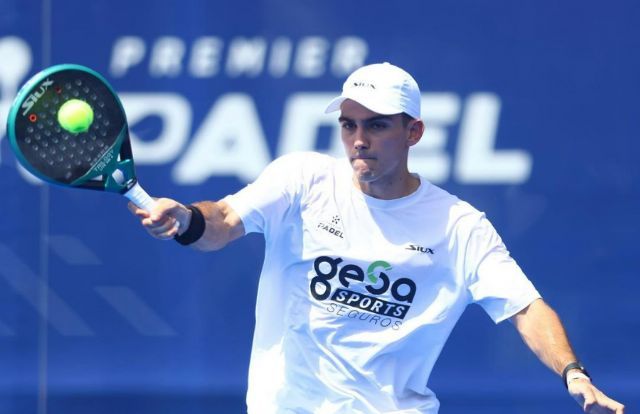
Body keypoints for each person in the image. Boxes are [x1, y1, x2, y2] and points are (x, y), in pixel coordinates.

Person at [130, 62, 624, 414]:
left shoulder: (459, 225)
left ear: (414, 133)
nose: (359, 139)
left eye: (376, 125)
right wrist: (186, 220)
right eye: (349, 125)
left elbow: (526, 308)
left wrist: (574, 374)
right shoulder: (302, 179)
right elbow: (220, 223)